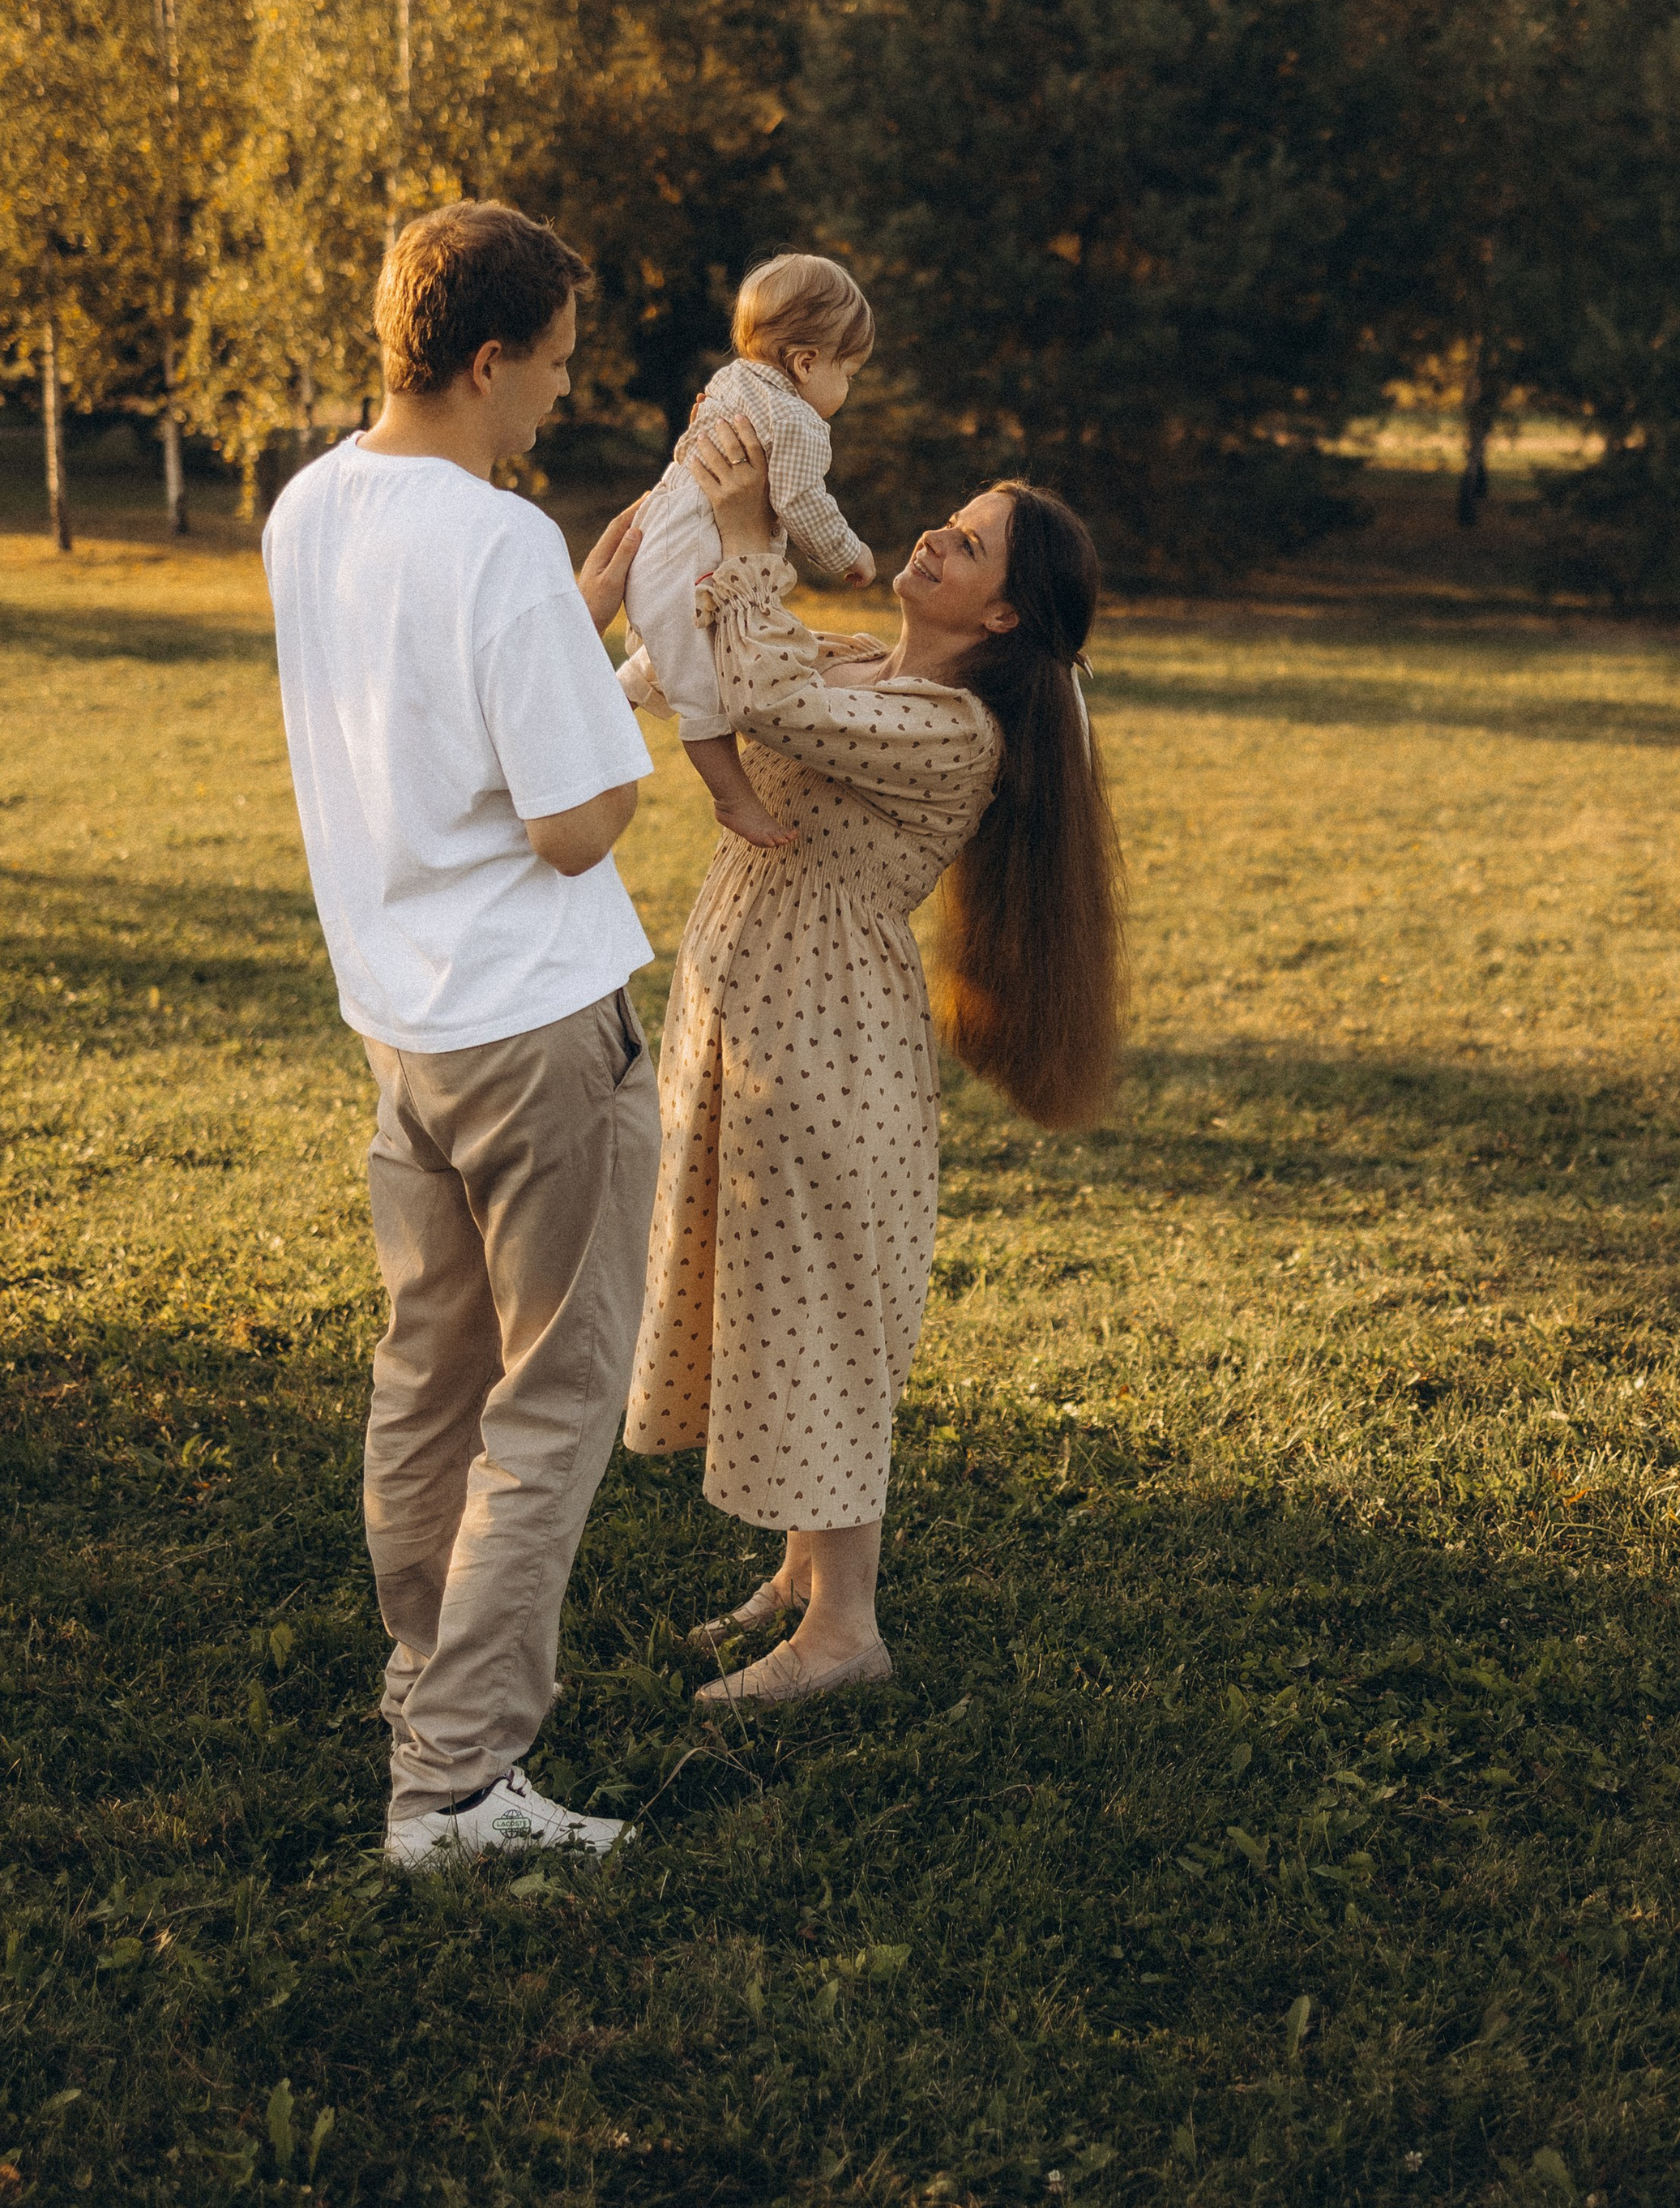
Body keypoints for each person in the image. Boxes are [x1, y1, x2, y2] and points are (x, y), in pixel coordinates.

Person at [262, 200, 660, 1868]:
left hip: (403, 1029)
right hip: (538, 1027)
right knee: (551, 1399)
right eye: (553, 370)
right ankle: (456, 1789)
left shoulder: (309, 508)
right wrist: (607, 679)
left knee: (427, 1383)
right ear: (489, 359)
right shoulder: (495, 539)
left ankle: (421, 1700)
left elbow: (429, 718)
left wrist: (573, 627)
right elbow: (575, 821)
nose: (558, 402)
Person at [622, 413, 1125, 1708]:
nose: (932, 537)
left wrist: (747, 538)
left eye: (965, 545)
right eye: (946, 522)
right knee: (772, 1293)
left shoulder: (957, 731)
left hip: (825, 1037)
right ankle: (802, 1576)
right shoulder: (860, 662)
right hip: (753, 1014)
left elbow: (765, 693)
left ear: (1007, 617)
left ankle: (847, 1634)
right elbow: (713, 675)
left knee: (816, 1312)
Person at [618, 253, 877, 854]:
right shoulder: (798, 423)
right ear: (808, 364)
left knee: (685, 644)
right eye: (850, 372)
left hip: (660, 543)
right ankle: (732, 796)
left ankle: (618, 695)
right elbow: (801, 501)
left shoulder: (731, 381)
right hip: (693, 563)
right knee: (710, 687)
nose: (848, 388)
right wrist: (848, 554)